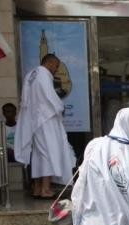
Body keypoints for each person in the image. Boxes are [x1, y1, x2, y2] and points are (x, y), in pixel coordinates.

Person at [14, 53, 75, 199]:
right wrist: (60, 107)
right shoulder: (43, 74)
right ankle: (45, 189)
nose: (56, 70)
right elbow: (49, 96)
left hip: (34, 121)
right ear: (50, 63)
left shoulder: (31, 75)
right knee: (49, 153)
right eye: (56, 66)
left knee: (38, 154)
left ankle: (37, 188)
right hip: (46, 119)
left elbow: (25, 99)